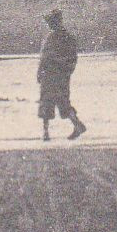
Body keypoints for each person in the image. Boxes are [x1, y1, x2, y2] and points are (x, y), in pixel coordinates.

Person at [37, 8, 87, 141]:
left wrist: (40, 72)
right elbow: (73, 58)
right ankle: (77, 124)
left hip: (50, 75)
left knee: (46, 103)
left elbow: (44, 58)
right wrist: (67, 71)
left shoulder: (51, 38)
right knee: (63, 101)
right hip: (62, 76)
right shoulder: (68, 37)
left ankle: (46, 133)